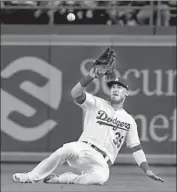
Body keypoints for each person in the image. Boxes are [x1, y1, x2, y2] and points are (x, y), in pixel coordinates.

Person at [12, 49, 164, 185]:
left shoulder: (129, 121)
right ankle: (29, 177)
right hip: (83, 148)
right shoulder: (97, 103)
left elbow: (136, 148)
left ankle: (62, 178)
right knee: (64, 150)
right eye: (113, 87)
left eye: (119, 88)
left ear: (127, 93)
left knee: (99, 179)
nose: (115, 90)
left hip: (102, 162)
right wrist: (90, 76)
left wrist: (147, 170)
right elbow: (75, 94)